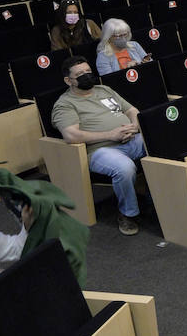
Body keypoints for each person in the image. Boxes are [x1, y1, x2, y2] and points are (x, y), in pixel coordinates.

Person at [51, 56, 145, 235]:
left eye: (88, 72)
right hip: (101, 150)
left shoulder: (104, 90)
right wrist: (111, 135)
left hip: (131, 139)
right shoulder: (64, 104)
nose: (86, 76)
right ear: (68, 80)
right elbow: (71, 135)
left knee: (160, 143)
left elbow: (132, 111)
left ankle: (160, 196)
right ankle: (128, 214)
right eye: (80, 74)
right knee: (125, 168)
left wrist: (134, 126)